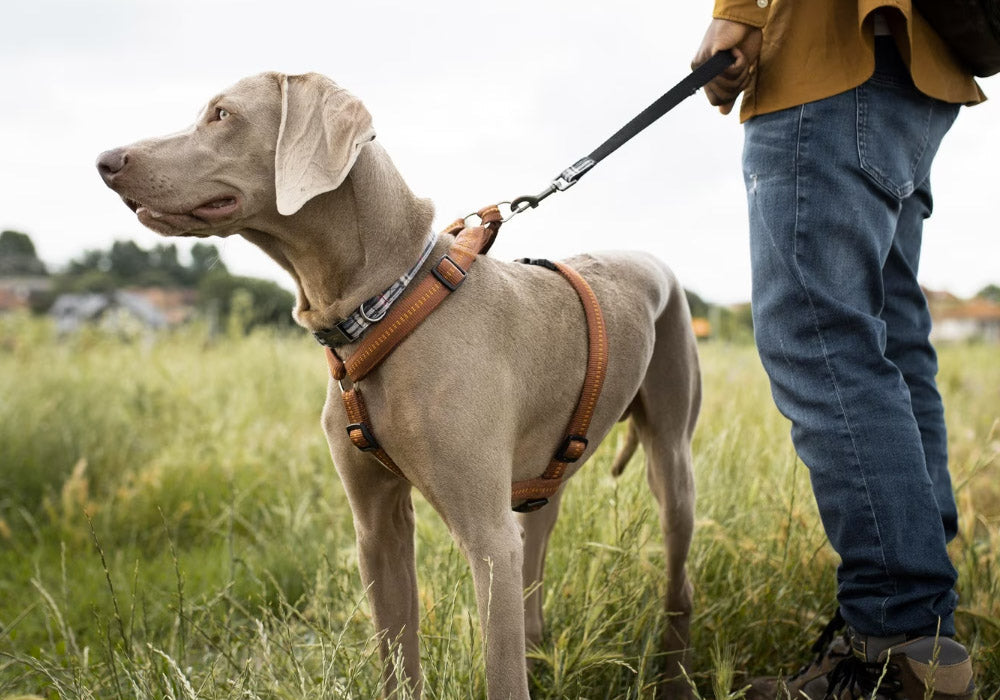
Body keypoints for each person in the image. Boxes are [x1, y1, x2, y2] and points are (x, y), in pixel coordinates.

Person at [691, 1, 985, 698]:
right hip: (914, 67)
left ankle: (897, 643)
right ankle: (925, 629)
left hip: (830, 58)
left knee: (821, 343)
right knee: (887, 345)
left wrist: (741, 10)